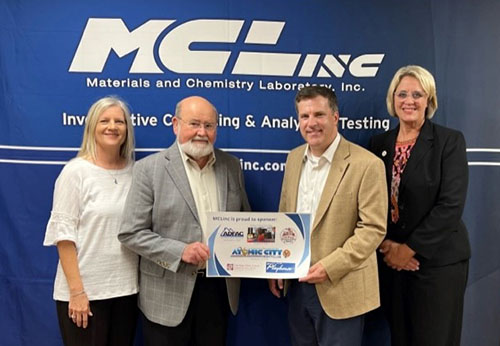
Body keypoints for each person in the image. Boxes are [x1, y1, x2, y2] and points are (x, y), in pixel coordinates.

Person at [118, 96, 250, 346]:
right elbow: (131, 233)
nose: (202, 132)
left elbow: (245, 222)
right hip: (167, 294)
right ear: (176, 124)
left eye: (209, 126)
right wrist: (180, 252)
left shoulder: (231, 166)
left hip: (217, 291)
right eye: (194, 124)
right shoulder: (149, 169)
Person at [269, 86, 388, 346]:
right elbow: (285, 214)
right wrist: (276, 263)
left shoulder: (367, 165)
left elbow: (373, 229)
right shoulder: (293, 158)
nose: (311, 123)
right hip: (297, 286)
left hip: (341, 287)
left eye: (319, 115)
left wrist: (329, 267)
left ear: (335, 117)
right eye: (304, 116)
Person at [368, 65, 470, 346]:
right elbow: (368, 202)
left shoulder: (449, 141)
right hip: (392, 263)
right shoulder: (378, 144)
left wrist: (409, 249)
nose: (408, 101)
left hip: (437, 264)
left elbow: (450, 205)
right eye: (402, 94)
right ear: (392, 100)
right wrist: (388, 246)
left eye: (417, 94)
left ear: (430, 100)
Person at [43, 96, 138, 345]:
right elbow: (63, 237)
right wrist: (77, 292)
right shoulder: (75, 172)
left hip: (126, 291)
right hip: (84, 295)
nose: (112, 126)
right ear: (92, 127)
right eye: (104, 120)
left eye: (120, 121)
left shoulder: (136, 172)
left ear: (127, 129)